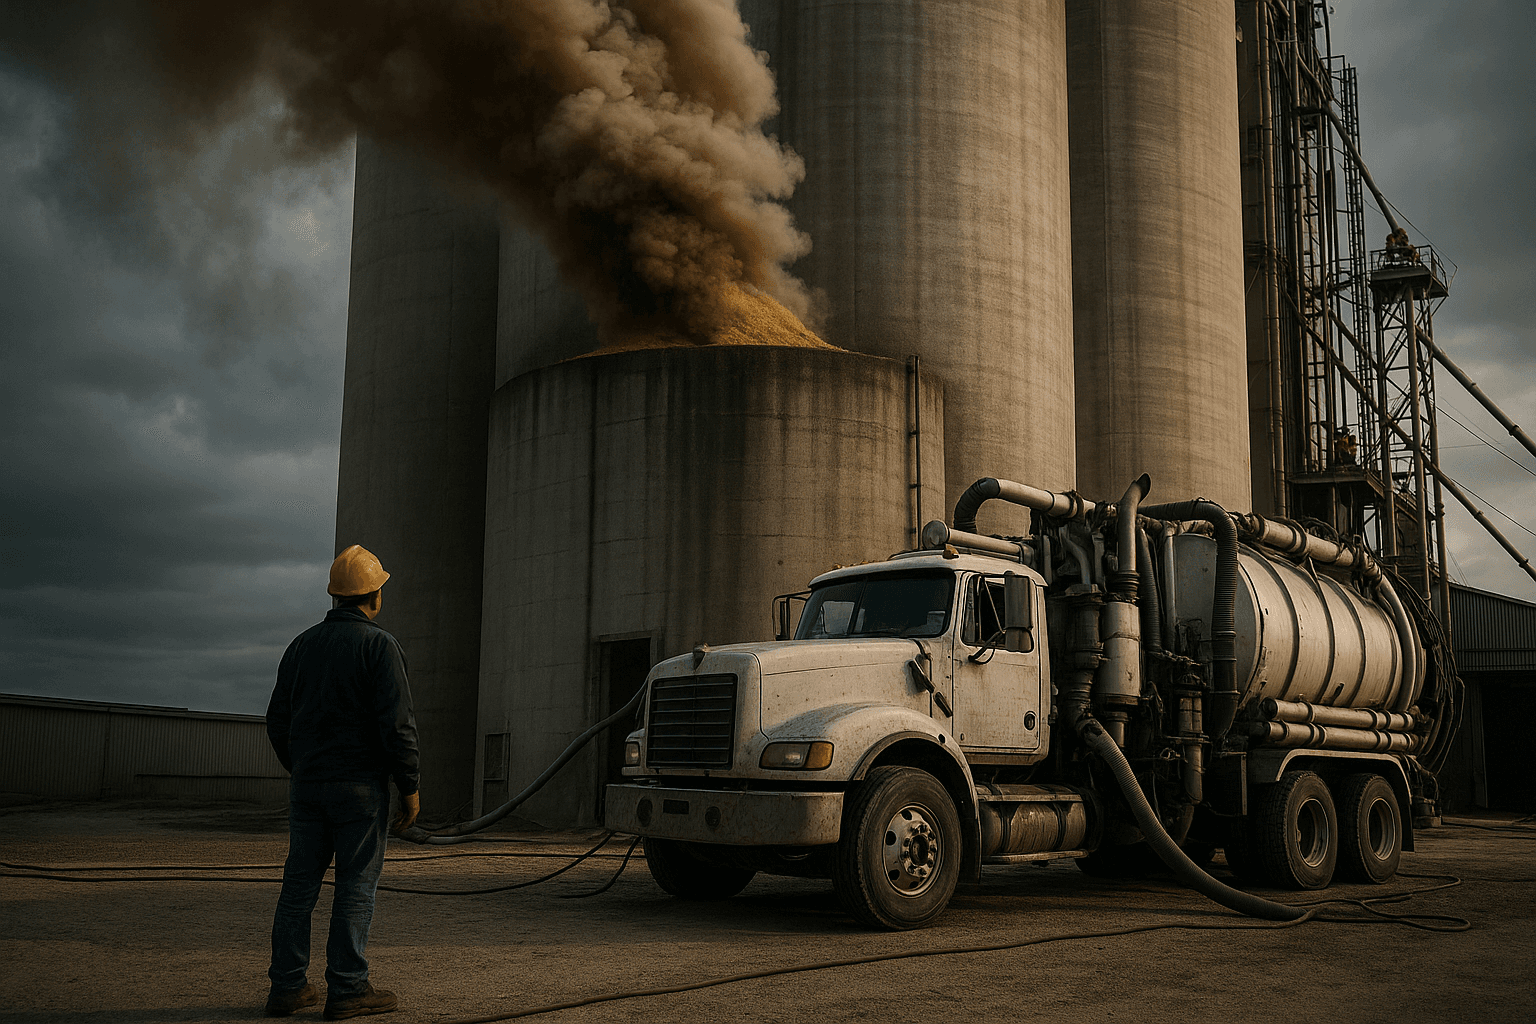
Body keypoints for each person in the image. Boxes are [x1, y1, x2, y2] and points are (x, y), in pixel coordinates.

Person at [263, 544, 421, 1020]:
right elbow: (397, 726)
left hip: (308, 788)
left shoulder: (301, 646)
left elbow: (277, 720)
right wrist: (409, 788)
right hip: (360, 791)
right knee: (355, 886)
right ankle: (348, 988)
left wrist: (302, 769)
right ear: (375, 596)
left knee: (298, 888)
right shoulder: (380, 646)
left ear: (334, 596)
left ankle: (287, 987)